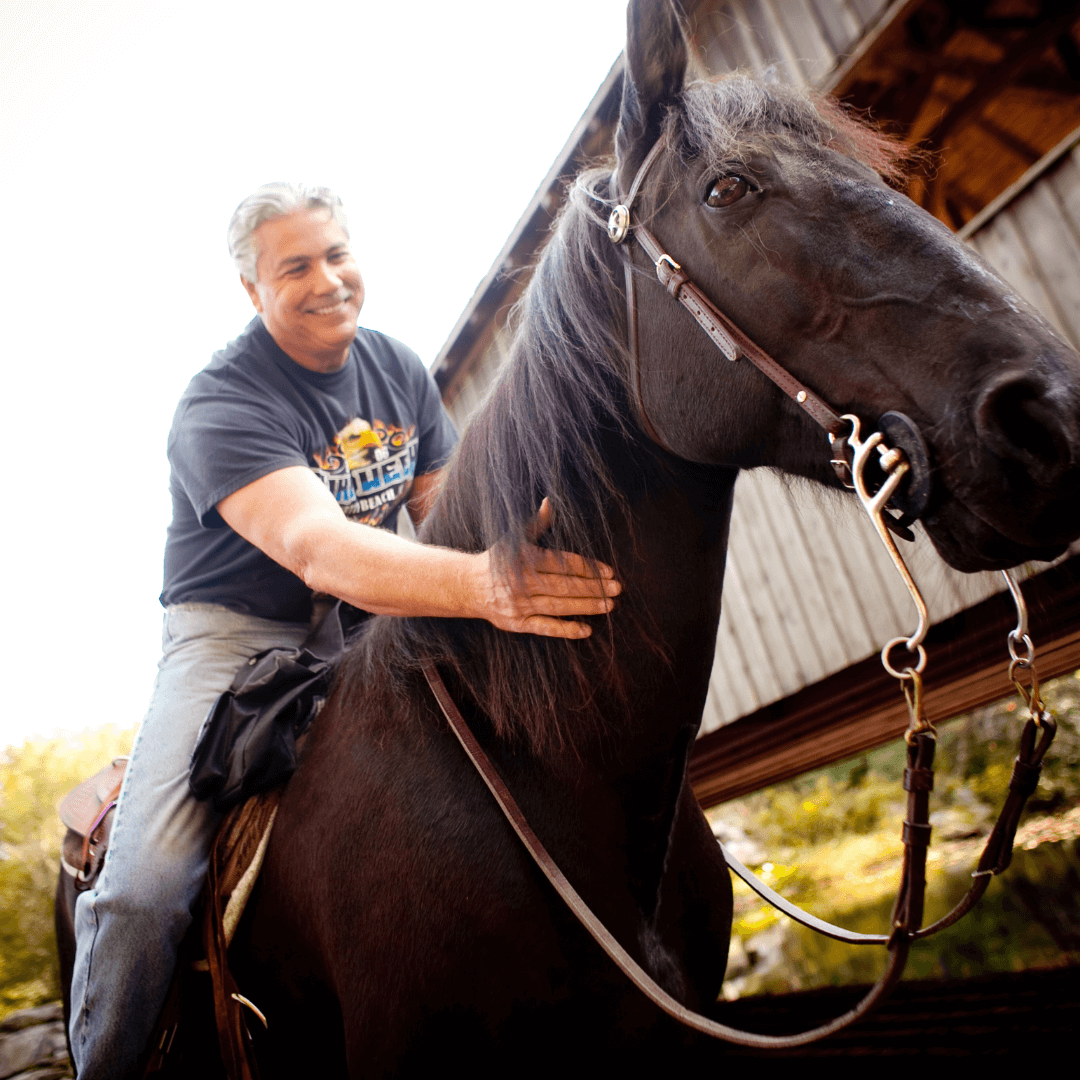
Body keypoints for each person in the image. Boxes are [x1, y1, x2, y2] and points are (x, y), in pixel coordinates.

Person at [68, 182, 621, 1079]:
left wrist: (535, 535)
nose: (328, 280)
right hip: (231, 637)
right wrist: (486, 586)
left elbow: (447, 517)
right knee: (143, 889)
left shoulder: (396, 367)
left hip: (367, 626)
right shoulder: (220, 403)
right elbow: (319, 549)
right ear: (253, 291)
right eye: (296, 266)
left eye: (337, 254)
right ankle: (106, 1063)